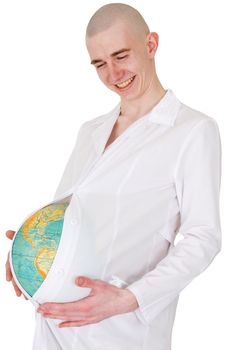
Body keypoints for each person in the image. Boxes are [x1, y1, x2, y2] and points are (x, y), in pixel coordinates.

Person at [5, 3, 222, 350]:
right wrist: (27, 250)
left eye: (121, 55)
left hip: (121, 333)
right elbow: (69, 212)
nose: (112, 74)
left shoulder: (192, 130)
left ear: (150, 45)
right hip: (54, 325)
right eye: (99, 64)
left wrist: (130, 298)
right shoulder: (90, 131)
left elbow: (204, 237)